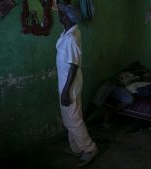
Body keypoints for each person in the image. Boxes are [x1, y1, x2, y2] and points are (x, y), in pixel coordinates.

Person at [56, 2, 97, 167]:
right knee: (72, 116)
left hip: (69, 84)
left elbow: (73, 66)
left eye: (61, 13)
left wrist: (66, 90)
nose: (58, 14)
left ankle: (89, 148)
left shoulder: (72, 38)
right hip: (67, 82)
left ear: (65, 17)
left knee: (72, 119)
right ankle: (76, 147)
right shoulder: (67, 33)